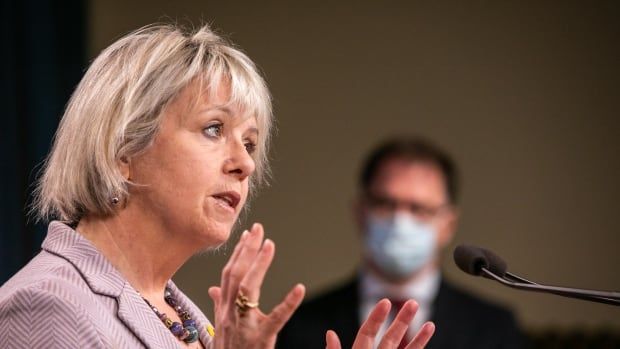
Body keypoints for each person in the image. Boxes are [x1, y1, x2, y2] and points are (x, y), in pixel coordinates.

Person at [0, 24, 435, 348]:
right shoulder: (48, 305)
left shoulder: (189, 319)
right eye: (213, 129)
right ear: (122, 151)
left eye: (249, 142)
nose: (245, 162)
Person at [277, 137, 527, 349]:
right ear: (361, 213)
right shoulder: (303, 324)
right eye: (385, 204)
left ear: (448, 225)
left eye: (419, 209)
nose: (400, 221)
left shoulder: (494, 328)